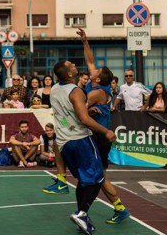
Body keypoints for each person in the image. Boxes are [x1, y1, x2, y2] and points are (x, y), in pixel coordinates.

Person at [50, 57, 116, 235]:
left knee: (84, 180)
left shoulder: (54, 89)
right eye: (70, 64)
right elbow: (84, 119)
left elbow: (66, 114)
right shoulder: (76, 91)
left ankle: (82, 216)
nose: (73, 63)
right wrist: (106, 131)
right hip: (81, 140)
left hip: (64, 142)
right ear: (70, 74)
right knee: (98, 178)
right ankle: (82, 213)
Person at [78, 28, 131, 225]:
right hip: (97, 136)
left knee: (98, 177)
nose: (93, 70)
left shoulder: (98, 92)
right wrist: (85, 41)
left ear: (98, 79)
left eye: (96, 72)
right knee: (98, 176)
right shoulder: (100, 84)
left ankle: (87, 211)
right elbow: (90, 60)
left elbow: (79, 108)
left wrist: (87, 111)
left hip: (99, 137)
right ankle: (118, 208)